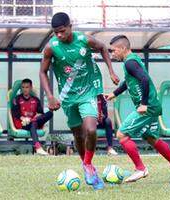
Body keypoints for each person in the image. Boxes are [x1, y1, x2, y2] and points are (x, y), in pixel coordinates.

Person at [40, 12, 119, 190]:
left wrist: (111, 71)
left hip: (88, 92)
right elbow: (42, 72)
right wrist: (50, 96)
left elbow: (103, 48)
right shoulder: (51, 47)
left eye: (62, 31)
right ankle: (86, 165)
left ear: (70, 26)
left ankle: (89, 164)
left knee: (91, 129)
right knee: (78, 134)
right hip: (68, 97)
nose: (59, 35)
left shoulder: (84, 40)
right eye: (55, 32)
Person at [106, 35, 170, 183]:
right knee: (151, 138)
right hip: (152, 106)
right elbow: (129, 81)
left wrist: (144, 103)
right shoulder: (132, 60)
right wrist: (114, 93)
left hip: (148, 107)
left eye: (113, 51)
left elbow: (145, 80)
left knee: (121, 134)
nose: (112, 54)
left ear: (122, 48)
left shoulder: (130, 63)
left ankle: (141, 169)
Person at [12, 78, 53, 156]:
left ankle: (32, 121)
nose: (25, 89)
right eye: (23, 87)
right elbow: (15, 114)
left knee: (50, 113)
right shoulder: (16, 99)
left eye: (27, 87)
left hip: (33, 121)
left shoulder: (36, 100)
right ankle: (38, 148)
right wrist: (23, 118)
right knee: (33, 123)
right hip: (23, 123)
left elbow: (40, 113)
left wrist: (35, 117)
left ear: (30, 88)